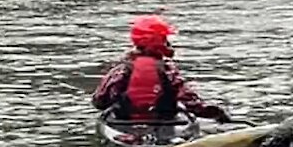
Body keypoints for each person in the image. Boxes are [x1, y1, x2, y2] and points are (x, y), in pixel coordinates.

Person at [91, 14, 232, 123]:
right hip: (164, 121)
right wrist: (215, 112)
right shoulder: (167, 69)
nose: (168, 43)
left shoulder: (121, 69)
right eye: (165, 39)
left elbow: (99, 101)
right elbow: (189, 100)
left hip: (125, 121)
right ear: (158, 42)